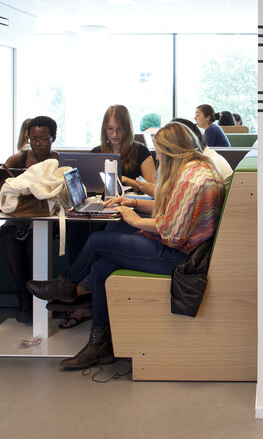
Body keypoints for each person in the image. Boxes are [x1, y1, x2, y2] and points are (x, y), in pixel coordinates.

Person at [26, 122, 226, 369]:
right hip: (186, 250)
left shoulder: (191, 178)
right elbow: (173, 210)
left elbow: (173, 231)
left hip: (179, 257)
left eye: (159, 150)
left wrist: (136, 220)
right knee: (100, 267)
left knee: (98, 241)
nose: (156, 155)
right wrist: (133, 203)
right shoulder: (199, 168)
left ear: (171, 149)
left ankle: (66, 284)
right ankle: (100, 343)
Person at [61, 105, 158, 328]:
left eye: (119, 130)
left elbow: (153, 186)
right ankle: (81, 293)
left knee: (102, 234)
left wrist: (130, 182)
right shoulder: (97, 152)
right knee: (77, 228)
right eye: (110, 129)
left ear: (127, 129)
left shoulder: (140, 151)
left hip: (130, 207)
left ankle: (77, 288)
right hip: (103, 205)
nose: (114, 135)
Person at [0, 116, 60, 324]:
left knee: (36, 237)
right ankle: (23, 295)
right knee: (9, 235)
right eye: (33, 139)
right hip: (20, 215)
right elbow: (1, 183)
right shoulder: (18, 159)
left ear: (53, 138)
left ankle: (37, 295)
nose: (38, 143)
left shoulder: (58, 159)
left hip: (46, 216)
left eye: (43, 138)